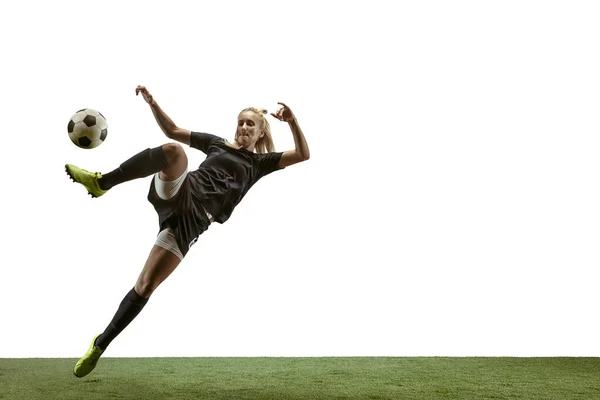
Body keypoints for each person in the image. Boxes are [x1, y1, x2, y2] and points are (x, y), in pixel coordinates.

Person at [66, 85, 310, 378]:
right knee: (173, 151)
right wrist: (152, 102)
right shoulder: (217, 144)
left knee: (145, 286)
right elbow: (172, 130)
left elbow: (303, 154)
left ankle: (99, 345)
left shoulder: (260, 163)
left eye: (251, 124)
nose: (244, 127)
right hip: (181, 191)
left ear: (260, 133)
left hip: (194, 220)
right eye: (241, 122)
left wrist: (293, 122)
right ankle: (101, 182)